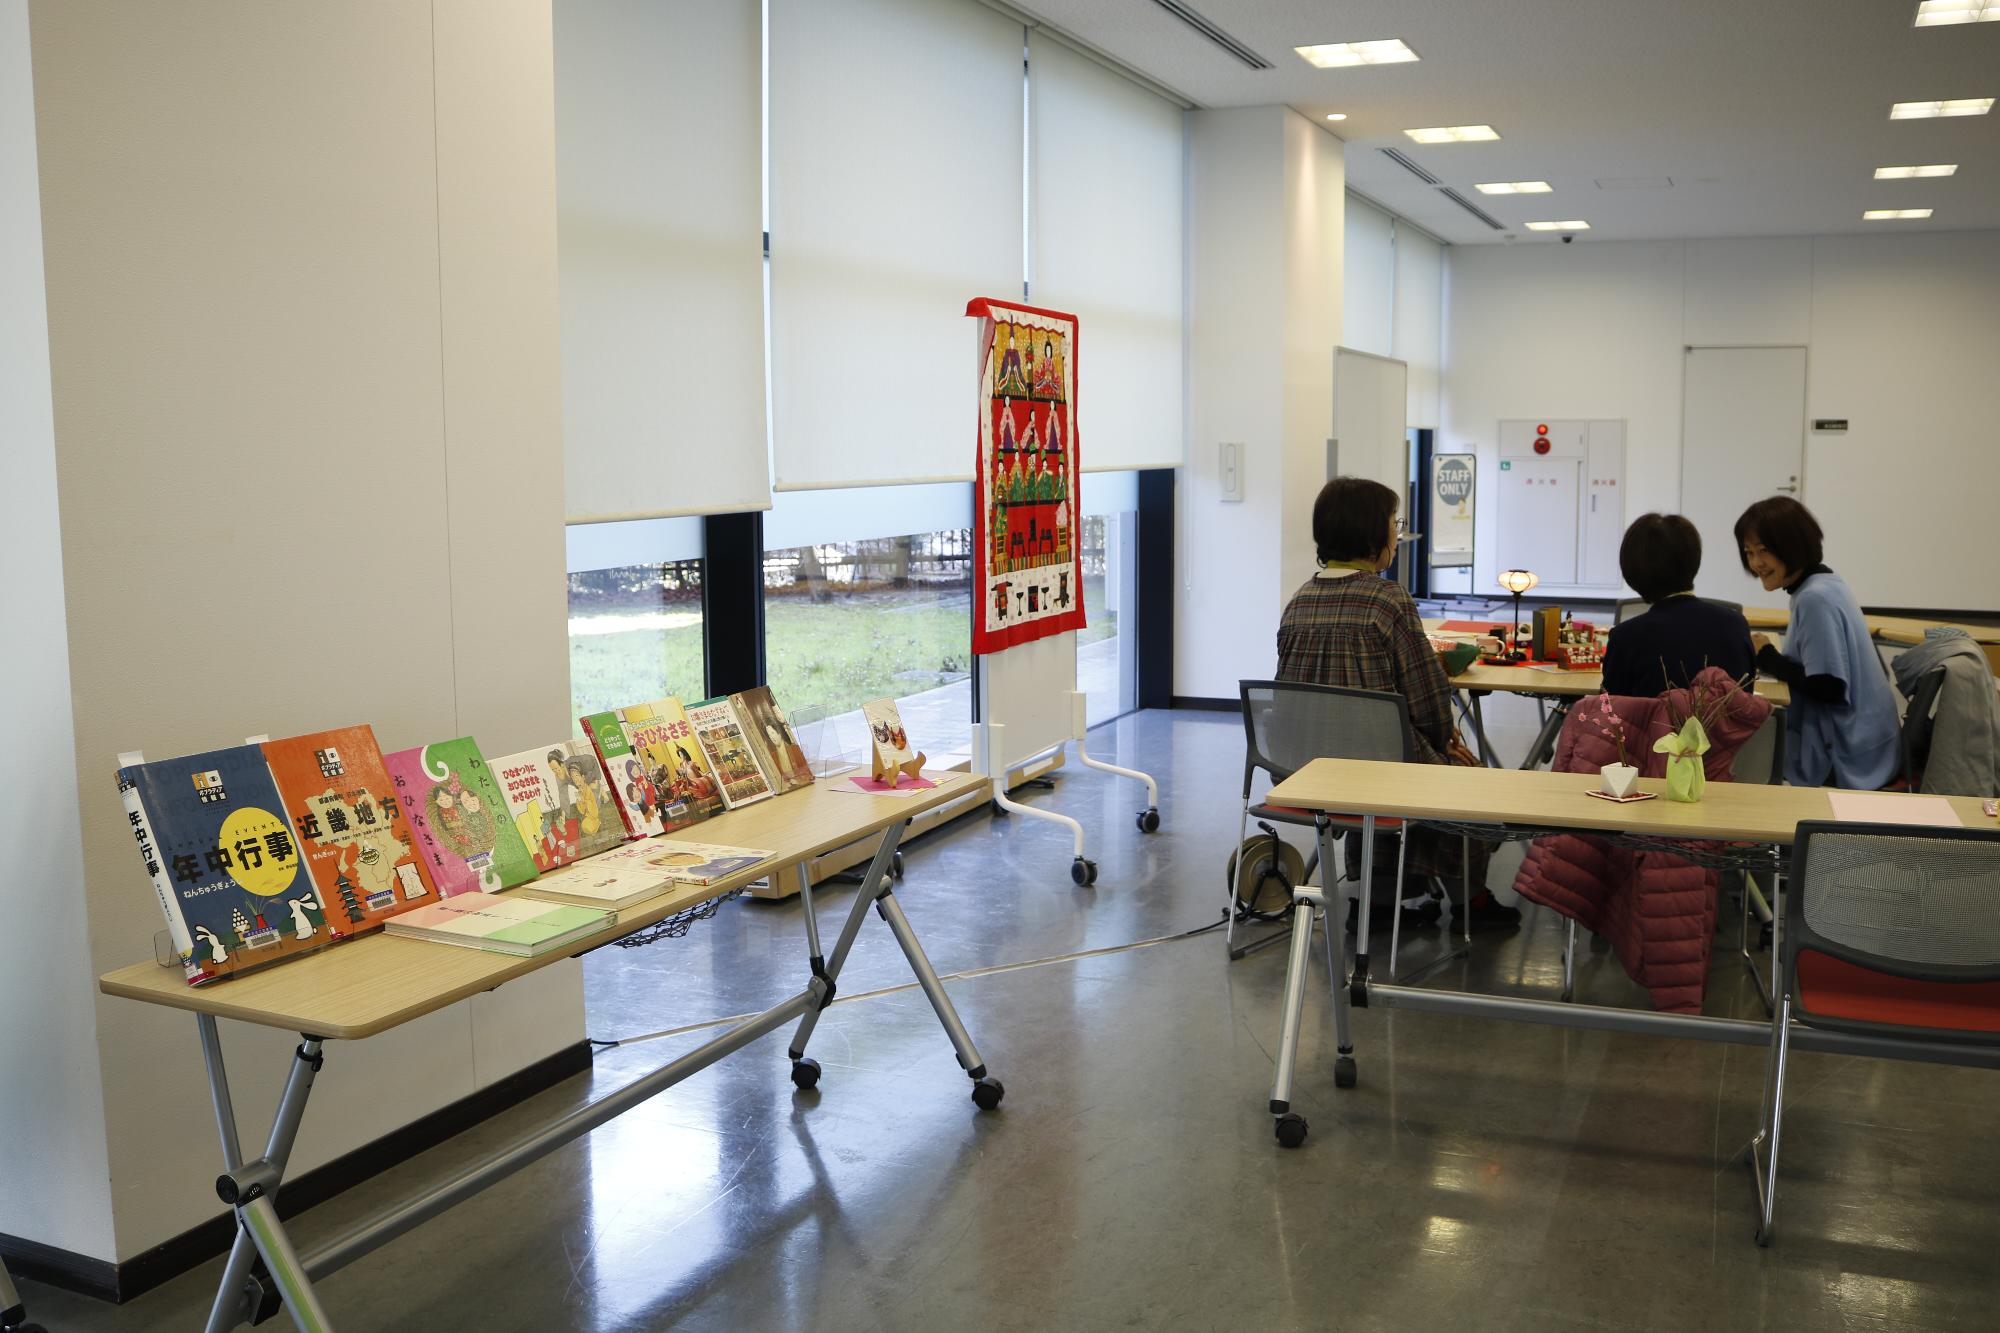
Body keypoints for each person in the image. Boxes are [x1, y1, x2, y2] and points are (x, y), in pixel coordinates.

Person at [1276, 476, 1518, 929]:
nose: (1397, 532)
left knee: (1381, 765)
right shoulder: (1388, 600)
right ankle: (1471, 902)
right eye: (1393, 522)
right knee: (1455, 775)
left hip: (1314, 766)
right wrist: (1446, 741)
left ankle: (1377, 905)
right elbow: (1427, 697)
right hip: (1383, 763)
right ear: (1372, 536)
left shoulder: (1298, 601)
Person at [1734, 496, 1900, 789]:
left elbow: (1829, 687)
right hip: (1873, 743)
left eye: (1764, 551)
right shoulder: (1826, 582)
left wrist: (1769, 658)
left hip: (1850, 755)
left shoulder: (1814, 598)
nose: (1756, 563)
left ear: (1792, 547)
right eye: (1749, 552)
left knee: (1741, 751)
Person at [1600, 513, 1755, 697]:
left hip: (1651, 727)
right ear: (1694, 560)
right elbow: (1745, 702)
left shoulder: (1625, 637)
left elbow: (1610, 711)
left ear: (1633, 570)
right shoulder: (1735, 625)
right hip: (1720, 727)